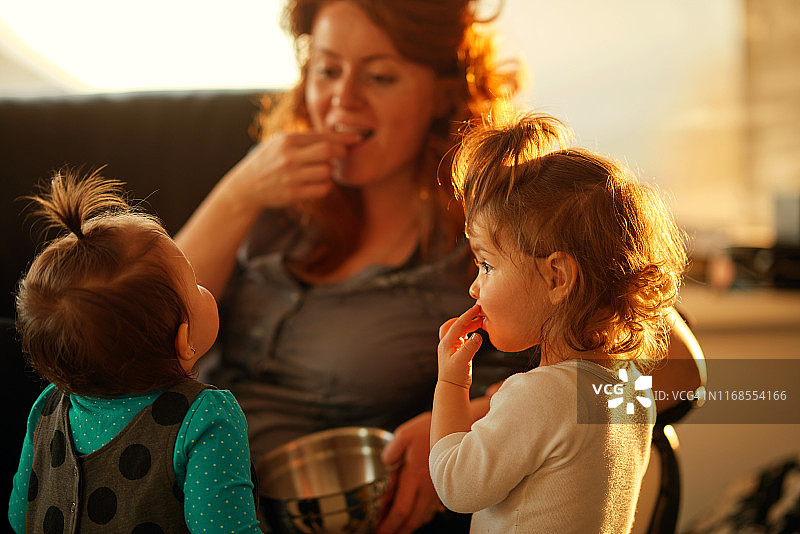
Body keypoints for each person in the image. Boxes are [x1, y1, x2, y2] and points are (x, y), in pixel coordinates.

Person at [175, 1, 703, 532]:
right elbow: (143, 323)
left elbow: (679, 373)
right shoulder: (272, 201)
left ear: (445, 92)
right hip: (192, 489)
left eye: (380, 76)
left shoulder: (503, 228)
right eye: (327, 69)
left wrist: (477, 422)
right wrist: (236, 195)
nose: (343, 98)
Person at [429, 111, 688, 533]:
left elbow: (454, 486)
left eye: (486, 265)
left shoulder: (539, 395)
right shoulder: (631, 391)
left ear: (556, 277)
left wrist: (451, 384)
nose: (474, 287)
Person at [8, 171, 261, 533]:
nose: (202, 285)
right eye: (193, 281)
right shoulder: (205, 419)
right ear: (183, 341)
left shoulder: (48, 407)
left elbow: (21, 517)